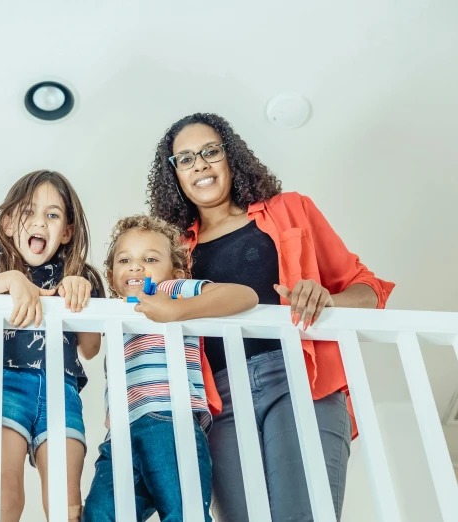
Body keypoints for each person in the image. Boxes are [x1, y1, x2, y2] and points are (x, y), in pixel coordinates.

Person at [147, 113, 395, 521]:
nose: (201, 165)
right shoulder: (173, 248)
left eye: (211, 151)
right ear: (173, 174)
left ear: (231, 156)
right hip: (218, 398)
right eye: (186, 159)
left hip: (298, 376)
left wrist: (328, 298)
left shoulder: (290, 210)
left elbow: (367, 288)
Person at [83, 215, 258, 522]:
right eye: (125, 260)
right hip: (121, 434)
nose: (136, 266)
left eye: (150, 259)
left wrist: (176, 308)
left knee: (183, 511)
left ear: (176, 271)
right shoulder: (115, 312)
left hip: (169, 418)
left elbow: (246, 295)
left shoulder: (169, 291)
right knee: (99, 514)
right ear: (111, 276)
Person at [0, 170, 104, 522]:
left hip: (62, 392)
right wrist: (11, 279)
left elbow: (92, 349)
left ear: (66, 231)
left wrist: (78, 294)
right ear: (7, 223)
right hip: (3, 385)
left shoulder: (79, 274)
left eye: (52, 215)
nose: (39, 222)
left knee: (66, 503)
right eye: (28, 213)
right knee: (5, 494)